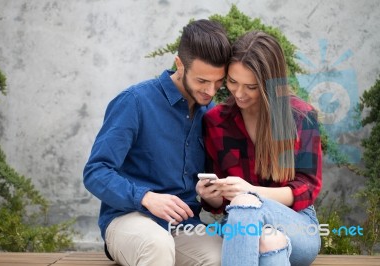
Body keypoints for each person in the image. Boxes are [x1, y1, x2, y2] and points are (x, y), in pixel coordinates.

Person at [83, 19, 231, 266]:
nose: (210, 91)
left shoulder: (210, 113)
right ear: (179, 65)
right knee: (157, 245)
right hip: (130, 219)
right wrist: (146, 197)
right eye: (202, 81)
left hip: (185, 226)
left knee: (225, 253)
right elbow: (95, 172)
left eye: (218, 82)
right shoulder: (135, 102)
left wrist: (211, 194)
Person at [196, 31, 322, 266]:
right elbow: (221, 204)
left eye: (251, 86)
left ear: (269, 83)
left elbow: (307, 188)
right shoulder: (216, 121)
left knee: (245, 204)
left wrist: (251, 192)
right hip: (239, 227)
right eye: (233, 82)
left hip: (297, 224)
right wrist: (211, 197)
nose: (239, 93)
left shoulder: (300, 117)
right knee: (268, 241)